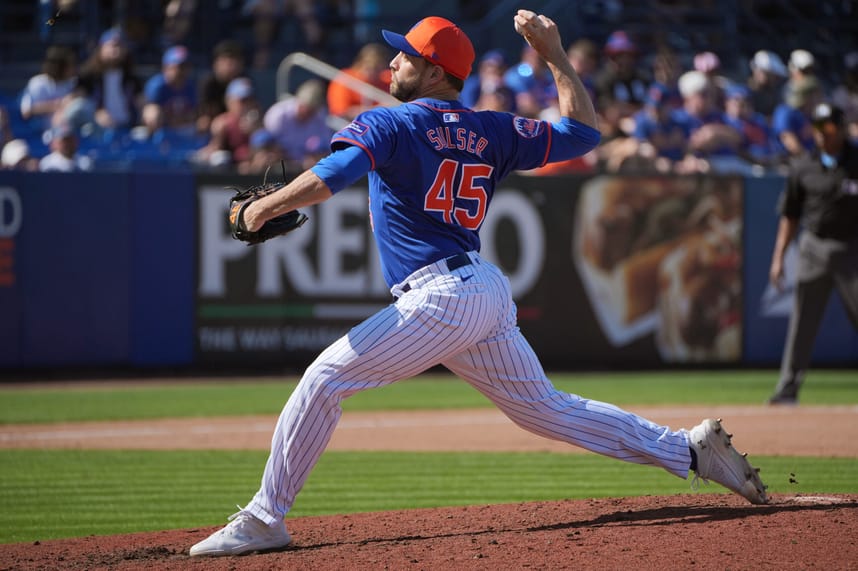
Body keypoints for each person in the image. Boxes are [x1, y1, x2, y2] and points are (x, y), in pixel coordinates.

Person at [189, 10, 768, 558]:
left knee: (324, 380)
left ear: (436, 71)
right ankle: (689, 450)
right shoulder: (490, 129)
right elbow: (581, 133)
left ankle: (266, 518)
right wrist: (557, 56)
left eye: (405, 57)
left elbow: (334, 174)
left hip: (441, 295)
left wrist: (265, 207)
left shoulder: (388, 121)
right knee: (545, 409)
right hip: (481, 291)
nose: (392, 64)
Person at [767, 103, 858, 405]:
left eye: (828, 129)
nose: (821, 135)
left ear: (841, 129)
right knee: (802, 321)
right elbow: (790, 215)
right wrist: (779, 257)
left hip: (851, 249)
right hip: (813, 247)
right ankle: (787, 388)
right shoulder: (803, 165)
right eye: (816, 128)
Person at [77, 27, 143, 130]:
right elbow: (78, 102)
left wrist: (149, 111)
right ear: (101, 48)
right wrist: (95, 113)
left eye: (120, 46)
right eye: (112, 45)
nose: (116, 50)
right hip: (95, 129)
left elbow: (142, 102)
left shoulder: (131, 78)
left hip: (127, 127)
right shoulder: (87, 76)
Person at [263, 79, 333, 170]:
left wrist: (316, 157)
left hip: (306, 167)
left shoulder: (319, 116)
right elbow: (269, 145)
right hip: (279, 163)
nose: (307, 113)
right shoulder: (278, 114)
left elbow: (326, 146)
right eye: (305, 107)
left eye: (312, 110)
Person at [326, 42, 392, 120]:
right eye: (369, 65)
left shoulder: (386, 79)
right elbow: (340, 112)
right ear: (360, 62)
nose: (372, 71)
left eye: (378, 68)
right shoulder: (345, 79)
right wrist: (378, 109)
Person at [142, 45, 197, 133]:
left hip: (182, 128)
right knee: (153, 113)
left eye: (185, 66)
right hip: (160, 129)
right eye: (178, 67)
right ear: (166, 68)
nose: (181, 71)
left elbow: (192, 113)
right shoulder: (157, 86)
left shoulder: (190, 86)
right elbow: (148, 112)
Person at [196, 39, 246, 134]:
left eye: (234, 60)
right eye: (226, 61)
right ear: (216, 64)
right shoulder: (209, 84)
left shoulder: (244, 81)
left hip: (239, 125)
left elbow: (250, 109)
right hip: (215, 128)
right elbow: (204, 117)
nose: (230, 66)